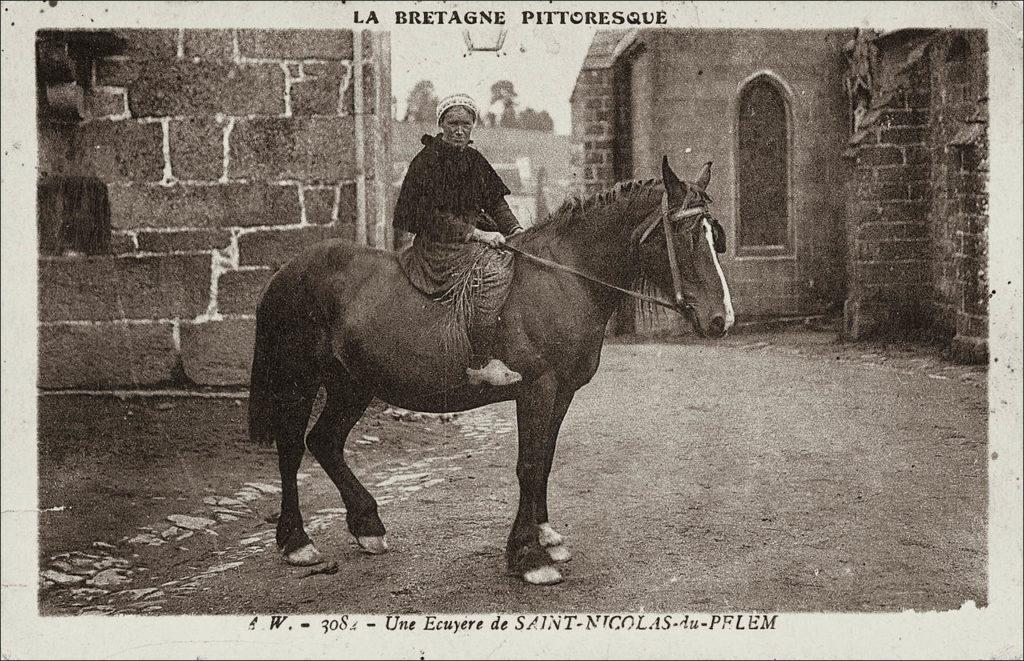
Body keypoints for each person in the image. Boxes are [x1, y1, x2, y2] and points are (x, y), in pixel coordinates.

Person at [394, 93, 524, 387]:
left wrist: (516, 232)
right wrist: (477, 234)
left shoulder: (475, 160)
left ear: (473, 127)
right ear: (441, 124)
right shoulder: (427, 161)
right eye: (452, 123)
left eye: (466, 124)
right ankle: (481, 360)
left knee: (514, 255)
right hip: (438, 246)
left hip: (468, 239)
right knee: (495, 271)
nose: (459, 130)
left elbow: (496, 204)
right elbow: (427, 216)